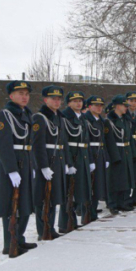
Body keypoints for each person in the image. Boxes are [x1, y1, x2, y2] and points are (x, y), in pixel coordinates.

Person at [0, 80, 37, 257]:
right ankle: (9, 242)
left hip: (26, 161)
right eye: (20, 94)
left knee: (25, 201)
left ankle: (19, 237)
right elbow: (4, 145)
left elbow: (31, 143)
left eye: (26, 94)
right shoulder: (5, 115)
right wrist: (11, 170)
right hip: (12, 163)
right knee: (11, 204)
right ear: (11, 96)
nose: (24, 97)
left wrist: (32, 164)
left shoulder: (27, 115)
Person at [32, 86, 66, 241]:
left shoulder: (59, 117)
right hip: (45, 161)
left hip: (57, 160)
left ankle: (50, 227)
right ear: (45, 100)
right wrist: (43, 166)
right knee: (43, 197)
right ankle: (43, 230)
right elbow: (38, 145)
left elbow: (62, 142)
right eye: (53, 98)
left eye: (59, 99)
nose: (57, 101)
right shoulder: (40, 117)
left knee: (53, 196)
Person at [60, 91, 93, 232]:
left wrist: (90, 159)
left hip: (83, 156)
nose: (78, 103)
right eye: (74, 101)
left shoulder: (83, 119)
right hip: (72, 157)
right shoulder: (65, 118)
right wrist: (68, 163)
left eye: (80, 100)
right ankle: (65, 223)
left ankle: (73, 220)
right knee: (69, 192)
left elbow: (87, 141)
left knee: (80, 189)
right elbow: (64, 142)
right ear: (68, 103)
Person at [104, 95, 136, 215]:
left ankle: (124, 201)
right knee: (114, 179)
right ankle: (113, 203)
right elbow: (109, 140)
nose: (126, 108)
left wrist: (133, 153)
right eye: (124, 105)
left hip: (126, 150)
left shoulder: (126, 120)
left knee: (127, 177)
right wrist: (114, 156)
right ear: (117, 106)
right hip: (116, 151)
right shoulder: (109, 121)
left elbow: (130, 138)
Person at [84, 96, 109, 220]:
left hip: (100, 153)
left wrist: (107, 157)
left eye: (100, 105)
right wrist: (90, 159)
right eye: (96, 105)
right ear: (89, 107)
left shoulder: (101, 121)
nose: (99, 108)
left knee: (98, 184)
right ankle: (87, 213)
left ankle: (93, 210)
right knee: (90, 186)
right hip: (91, 153)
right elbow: (86, 141)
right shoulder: (86, 120)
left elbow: (104, 140)